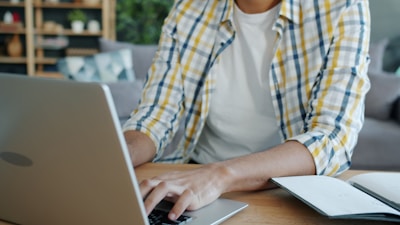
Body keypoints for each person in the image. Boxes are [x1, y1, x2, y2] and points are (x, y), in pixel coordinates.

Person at [123, 0, 371, 221]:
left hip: (288, 190)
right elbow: (156, 114)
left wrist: (219, 175)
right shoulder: (188, 8)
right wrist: (116, 154)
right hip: (196, 179)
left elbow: (331, 137)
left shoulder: (342, 6)